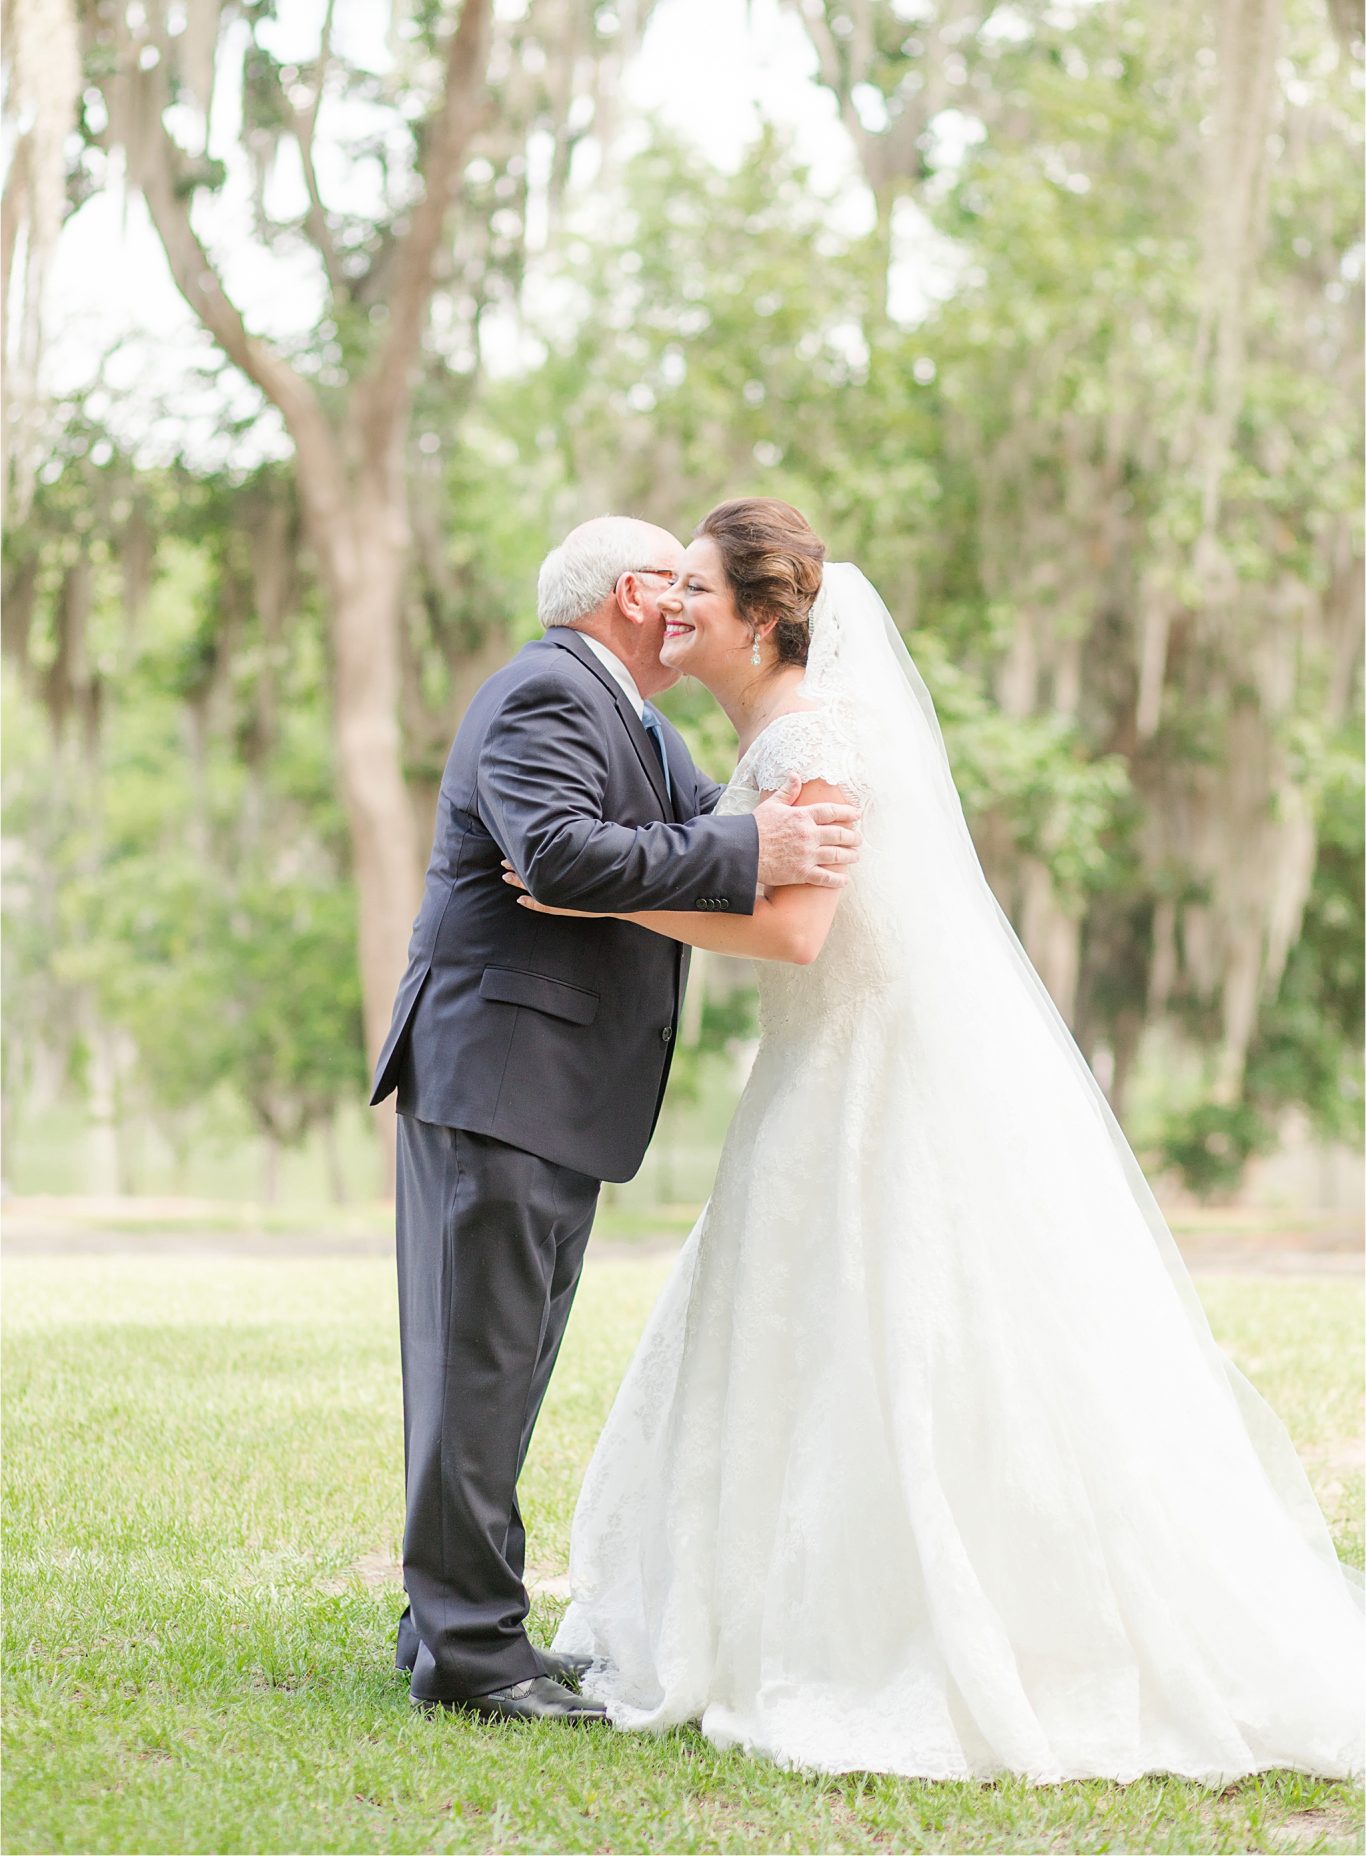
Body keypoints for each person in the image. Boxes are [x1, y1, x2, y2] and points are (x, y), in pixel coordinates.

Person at [510, 497, 1364, 1782]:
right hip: (822, 1063)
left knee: (898, 1330)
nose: (672, 605)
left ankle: (916, 1635)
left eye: (695, 587)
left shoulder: (809, 733)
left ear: (762, 614)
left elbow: (796, 934)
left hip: (870, 1070)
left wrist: (619, 905)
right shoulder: (772, 727)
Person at [368, 514, 863, 1725]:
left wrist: (765, 828)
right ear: (636, 590)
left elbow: (687, 836)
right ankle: (475, 1657)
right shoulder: (545, 691)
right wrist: (757, 842)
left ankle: (446, 1623)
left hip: (553, 1090)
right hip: (498, 1076)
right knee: (475, 1371)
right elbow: (561, 852)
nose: (688, 601)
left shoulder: (637, 720)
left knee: (501, 1374)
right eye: (678, 582)